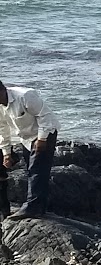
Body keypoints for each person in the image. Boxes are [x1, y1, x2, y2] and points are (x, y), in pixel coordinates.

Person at [0, 80, 60, 220]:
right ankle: (39, 207)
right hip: (26, 138)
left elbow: (45, 115)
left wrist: (42, 139)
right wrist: (6, 153)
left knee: (37, 171)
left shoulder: (25, 96)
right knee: (32, 170)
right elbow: (3, 130)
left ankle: (32, 208)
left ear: (2, 91)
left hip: (45, 131)